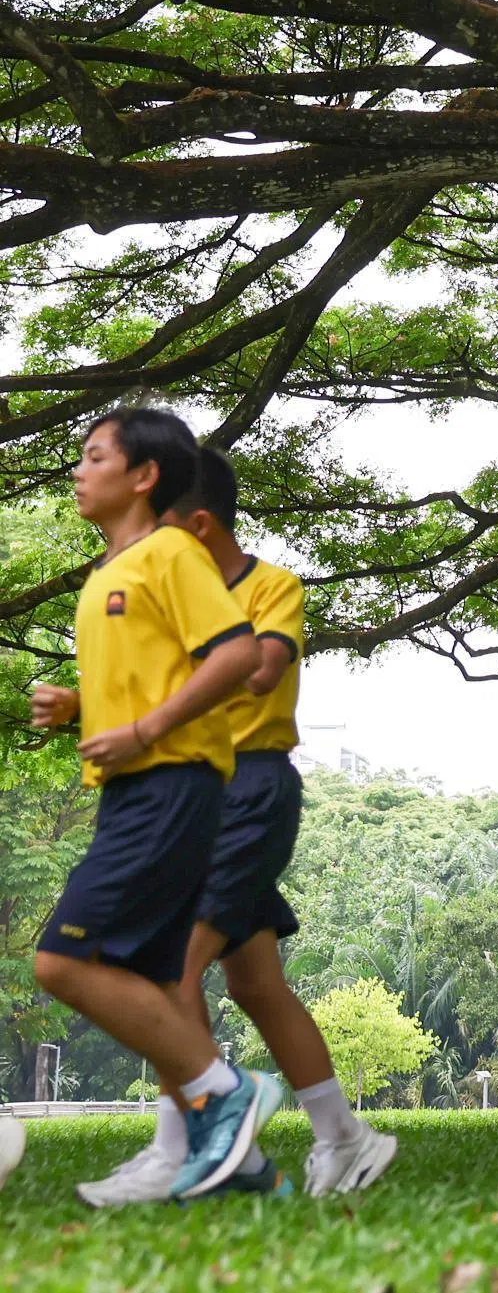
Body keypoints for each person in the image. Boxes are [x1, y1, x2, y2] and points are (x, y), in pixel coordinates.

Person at [78, 448, 398, 1207]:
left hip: (251, 787)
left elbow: (257, 666)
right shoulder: (163, 589)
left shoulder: (269, 586)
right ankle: (344, 1135)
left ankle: (181, 1145)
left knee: (169, 969)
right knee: (255, 980)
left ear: (196, 524)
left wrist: (207, 649)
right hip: (195, 789)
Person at [28, 408, 283, 1201]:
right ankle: (238, 1164)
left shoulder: (171, 551)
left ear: (144, 475)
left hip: (170, 784)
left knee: (65, 959)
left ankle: (226, 1091)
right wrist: (82, 704)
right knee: (149, 972)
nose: (79, 468)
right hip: (138, 786)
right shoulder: (109, 571)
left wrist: (142, 728)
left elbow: (238, 652)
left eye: (94, 454)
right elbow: (155, 670)